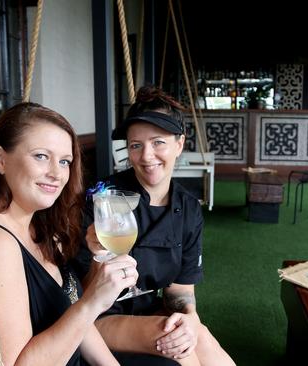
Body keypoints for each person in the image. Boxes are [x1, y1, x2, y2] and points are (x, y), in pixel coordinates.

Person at [0, 102, 138, 365]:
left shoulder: (42, 229)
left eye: (64, 161)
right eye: (41, 156)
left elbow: (71, 313)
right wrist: (92, 303)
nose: (57, 173)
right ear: (0, 159)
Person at [78, 86, 235, 366]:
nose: (147, 156)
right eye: (136, 145)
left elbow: (181, 292)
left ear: (179, 143)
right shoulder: (105, 199)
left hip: (151, 311)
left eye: (158, 142)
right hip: (99, 318)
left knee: (204, 340)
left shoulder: (187, 208)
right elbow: (80, 292)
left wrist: (189, 320)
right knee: (182, 351)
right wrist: (95, 254)